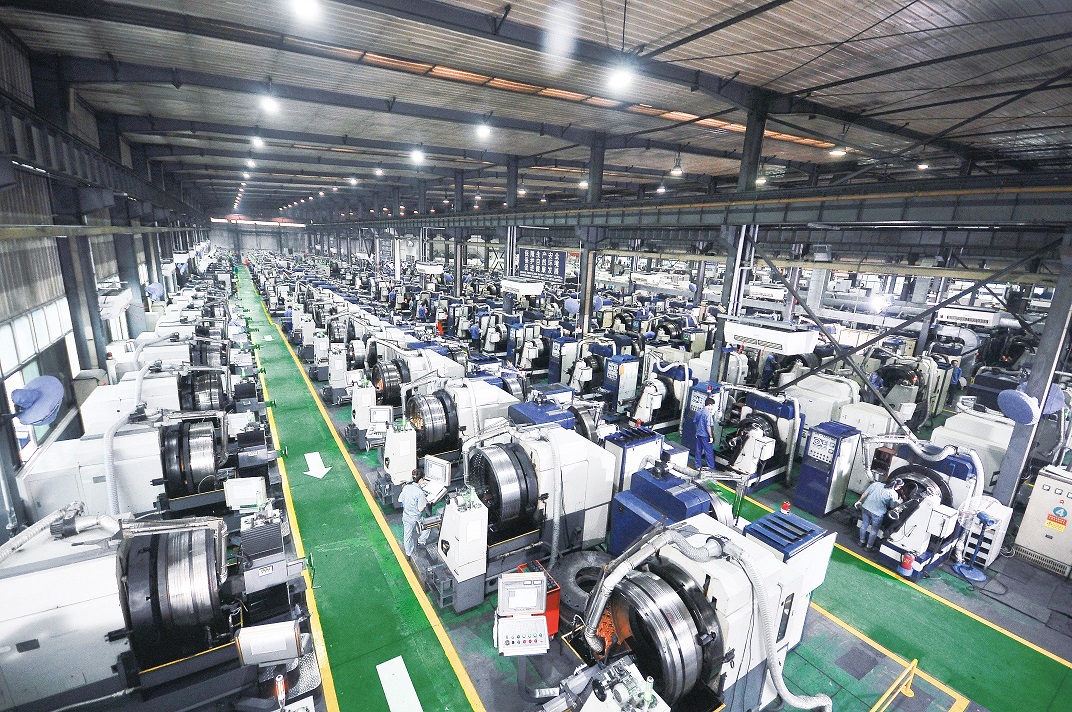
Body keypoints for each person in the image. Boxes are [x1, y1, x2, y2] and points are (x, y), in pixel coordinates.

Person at [855, 478, 902, 550]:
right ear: (895, 485)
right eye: (900, 486)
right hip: (877, 514)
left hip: (866, 508)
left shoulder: (876, 484)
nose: (900, 488)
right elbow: (892, 506)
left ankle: (861, 542)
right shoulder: (893, 494)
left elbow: (865, 494)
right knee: (874, 530)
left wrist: (859, 501)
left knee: (864, 525)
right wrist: (898, 502)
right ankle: (868, 547)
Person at [399, 469, 429, 558]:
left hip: (406, 516)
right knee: (427, 527)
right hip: (416, 518)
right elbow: (420, 509)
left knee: (407, 536)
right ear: (421, 480)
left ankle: (408, 553)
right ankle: (421, 541)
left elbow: (400, 500)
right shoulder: (420, 493)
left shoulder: (406, 487)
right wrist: (425, 502)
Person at [693, 397, 718, 471]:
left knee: (698, 450)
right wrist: (711, 436)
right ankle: (711, 467)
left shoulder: (698, 411)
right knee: (709, 451)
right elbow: (708, 426)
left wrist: (697, 431)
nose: (712, 407)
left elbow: (695, 422)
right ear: (709, 405)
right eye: (712, 405)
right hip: (705, 436)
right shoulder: (708, 414)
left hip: (699, 434)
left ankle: (697, 465)